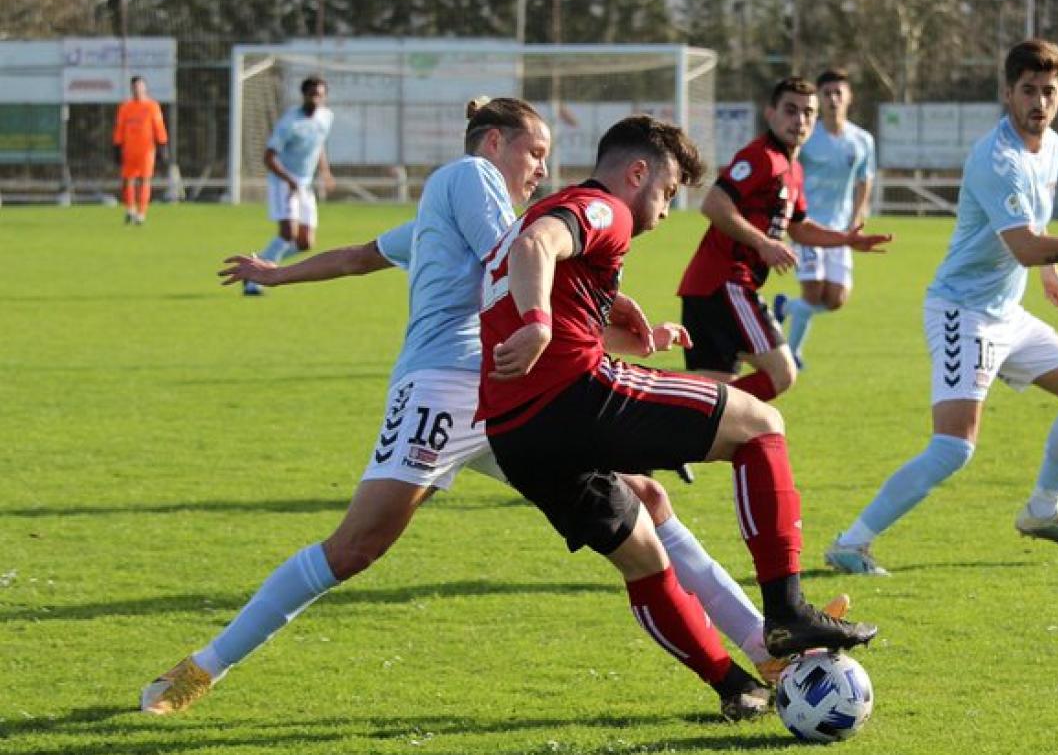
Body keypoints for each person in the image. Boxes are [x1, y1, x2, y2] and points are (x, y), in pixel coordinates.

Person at [141, 99, 817, 722]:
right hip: (445, 387)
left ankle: (760, 646)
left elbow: (361, 256)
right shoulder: (470, 178)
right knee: (355, 548)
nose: (543, 167)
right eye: (533, 151)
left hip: (505, 392)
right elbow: (521, 253)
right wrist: (614, 306)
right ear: (493, 142)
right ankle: (201, 668)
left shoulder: (455, 200)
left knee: (643, 501)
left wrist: (279, 272)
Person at [477, 114, 879, 718]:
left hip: (515, 434)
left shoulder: (550, 207)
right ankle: (787, 611)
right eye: (666, 191)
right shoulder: (602, 207)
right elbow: (541, 249)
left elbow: (536, 263)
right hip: (576, 397)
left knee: (643, 554)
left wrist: (609, 326)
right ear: (636, 172)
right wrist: (539, 322)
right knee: (760, 425)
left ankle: (733, 687)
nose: (665, 210)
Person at [824, 39, 1058, 576]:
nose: (1039, 102)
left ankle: (1041, 511)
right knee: (954, 448)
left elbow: (1036, 230)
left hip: (1008, 314)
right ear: (1008, 93)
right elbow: (1024, 246)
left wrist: (1050, 272)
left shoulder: (1051, 147)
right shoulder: (995, 158)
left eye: (1049, 91)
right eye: (1028, 90)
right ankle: (851, 542)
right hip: (962, 313)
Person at [675, 77, 890, 405]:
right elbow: (714, 203)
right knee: (781, 373)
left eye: (808, 113)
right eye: (791, 110)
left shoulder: (793, 169)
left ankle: (673, 431)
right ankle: (694, 418)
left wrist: (846, 239)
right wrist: (763, 243)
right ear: (770, 113)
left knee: (715, 393)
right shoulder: (761, 156)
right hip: (726, 284)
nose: (800, 120)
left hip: (707, 289)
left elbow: (800, 228)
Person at [772, 67, 877, 370]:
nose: (832, 99)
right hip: (808, 226)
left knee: (835, 299)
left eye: (838, 93)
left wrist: (857, 218)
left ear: (849, 97)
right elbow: (787, 171)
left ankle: (784, 307)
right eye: (827, 93)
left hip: (841, 229)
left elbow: (864, 179)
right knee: (813, 291)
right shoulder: (808, 136)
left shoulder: (862, 140)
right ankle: (791, 354)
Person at [243, 76, 335, 296]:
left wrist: (325, 171)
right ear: (303, 95)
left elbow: (318, 144)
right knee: (287, 234)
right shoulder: (290, 122)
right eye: (312, 94)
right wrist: (289, 180)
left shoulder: (326, 117)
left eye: (320, 95)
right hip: (283, 181)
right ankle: (257, 280)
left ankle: (256, 266)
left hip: (304, 183)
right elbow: (268, 157)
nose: (315, 99)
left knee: (305, 243)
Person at [112, 76, 168, 226]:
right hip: (129, 150)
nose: (137, 90)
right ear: (131, 89)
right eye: (134, 87)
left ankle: (141, 213)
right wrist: (117, 146)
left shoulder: (152, 107)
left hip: (147, 151)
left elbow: (159, 126)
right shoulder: (125, 108)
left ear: (145, 88)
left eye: (140, 87)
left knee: (144, 180)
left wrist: (162, 145)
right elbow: (120, 128)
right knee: (127, 181)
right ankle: (130, 209)